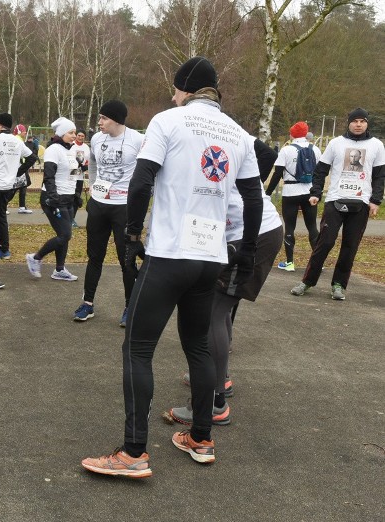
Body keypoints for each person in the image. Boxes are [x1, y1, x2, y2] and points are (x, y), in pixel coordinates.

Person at [81, 57, 263, 477]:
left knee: (138, 349)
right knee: (197, 347)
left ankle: (133, 452)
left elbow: (142, 182)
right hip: (211, 255)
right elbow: (252, 200)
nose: (172, 95)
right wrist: (247, 253)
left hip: (170, 253)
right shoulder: (238, 133)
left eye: (176, 89)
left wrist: (130, 235)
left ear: (186, 88)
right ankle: (201, 437)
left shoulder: (169, 121)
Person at [168, 137, 283, 426]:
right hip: (243, 233)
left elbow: (266, 154)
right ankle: (221, 379)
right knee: (220, 306)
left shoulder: (214, 141)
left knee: (213, 312)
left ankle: (215, 401)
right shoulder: (205, 145)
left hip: (254, 235)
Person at [290, 108, 385, 301]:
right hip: (335, 200)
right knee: (325, 242)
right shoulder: (336, 143)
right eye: (355, 121)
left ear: (367, 124)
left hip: (361, 203)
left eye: (362, 121)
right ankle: (307, 281)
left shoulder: (376, 145)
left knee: (350, 246)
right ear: (348, 123)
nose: (358, 124)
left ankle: (339, 285)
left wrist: (375, 200)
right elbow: (320, 171)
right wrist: (316, 193)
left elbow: (380, 175)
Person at [73, 100, 144, 326]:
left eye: (104, 118)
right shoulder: (96, 138)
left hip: (124, 207)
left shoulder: (138, 140)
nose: (100, 122)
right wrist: (93, 184)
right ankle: (88, 303)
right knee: (95, 256)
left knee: (127, 259)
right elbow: (92, 163)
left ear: (116, 120)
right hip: (99, 204)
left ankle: (129, 307)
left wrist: (139, 196)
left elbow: (147, 170)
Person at [26, 117, 81, 282]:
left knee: (63, 235)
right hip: (54, 198)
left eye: (75, 132)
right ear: (62, 133)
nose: (74, 135)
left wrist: (77, 195)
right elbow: (49, 176)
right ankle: (35, 257)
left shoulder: (71, 150)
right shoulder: (53, 149)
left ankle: (59, 269)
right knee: (65, 235)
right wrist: (53, 197)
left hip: (69, 198)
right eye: (71, 132)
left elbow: (75, 175)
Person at [265, 122, 321, 271]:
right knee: (312, 227)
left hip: (290, 192)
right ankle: (317, 264)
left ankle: (290, 263)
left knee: (289, 227)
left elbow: (277, 174)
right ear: (306, 134)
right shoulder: (315, 149)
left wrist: (268, 193)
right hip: (310, 192)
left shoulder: (286, 150)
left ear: (291, 134)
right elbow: (320, 172)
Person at [0, 112, 36, 261]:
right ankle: (5, 250)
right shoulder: (17, 141)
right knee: (1, 216)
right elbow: (32, 157)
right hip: (9, 185)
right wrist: (18, 172)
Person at [12, 124, 35, 214]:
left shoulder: (19, 139)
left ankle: (22, 206)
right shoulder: (18, 140)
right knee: (14, 187)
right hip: (18, 166)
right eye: (23, 131)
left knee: (23, 185)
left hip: (20, 165)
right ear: (19, 131)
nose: (25, 132)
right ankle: (4, 205)